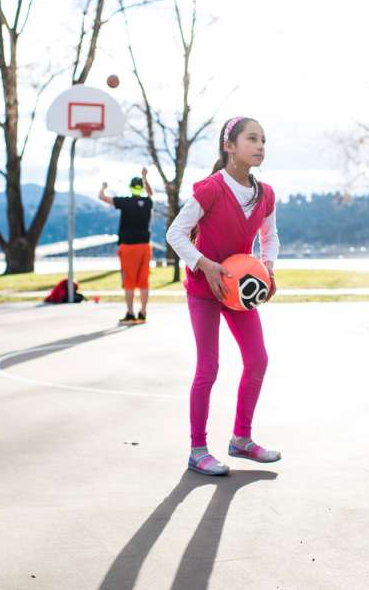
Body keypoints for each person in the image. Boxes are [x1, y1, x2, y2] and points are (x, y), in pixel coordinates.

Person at [165, 116, 280, 476]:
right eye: (251, 139)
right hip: (204, 288)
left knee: (257, 359)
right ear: (229, 147)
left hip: (238, 292)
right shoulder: (211, 189)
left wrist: (267, 269)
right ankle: (198, 449)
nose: (260, 145)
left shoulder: (266, 194)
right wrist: (206, 265)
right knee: (208, 367)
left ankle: (241, 440)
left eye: (263, 140)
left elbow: (270, 237)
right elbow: (175, 234)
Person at [98, 168, 154, 324]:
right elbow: (150, 194)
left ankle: (130, 313)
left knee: (129, 281)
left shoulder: (125, 202)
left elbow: (102, 197)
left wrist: (103, 187)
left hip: (129, 246)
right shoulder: (148, 202)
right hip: (145, 246)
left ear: (131, 187)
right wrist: (145, 177)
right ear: (141, 187)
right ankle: (143, 312)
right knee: (144, 281)